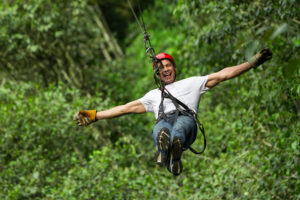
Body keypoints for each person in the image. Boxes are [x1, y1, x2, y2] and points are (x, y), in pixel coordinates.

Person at [73, 49, 272, 176]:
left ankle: (171, 151)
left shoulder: (192, 83)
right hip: (163, 121)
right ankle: (166, 151)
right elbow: (125, 108)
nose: (165, 69)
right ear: (157, 74)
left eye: (168, 66)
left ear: (174, 69)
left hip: (186, 121)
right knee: (162, 129)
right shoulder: (153, 95)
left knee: (178, 130)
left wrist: (252, 63)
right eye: (161, 68)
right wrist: (95, 115)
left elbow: (223, 75)